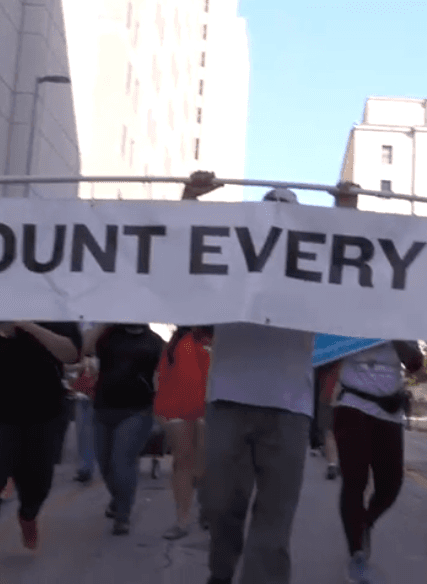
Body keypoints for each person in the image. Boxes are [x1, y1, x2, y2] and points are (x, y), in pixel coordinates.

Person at [203, 187, 318, 584]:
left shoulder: (319, 267)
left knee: (274, 522)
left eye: (288, 205)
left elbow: (356, 278)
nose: (279, 211)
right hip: (228, 400)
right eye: (272, 203)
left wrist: (347, 212)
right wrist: (188, 200)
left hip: (290, 408)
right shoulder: (228, 259)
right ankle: (220, 573)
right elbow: (174, 260)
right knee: (220, 508)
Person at [0, 321, 81, 584]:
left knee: (37, 482)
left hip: (42, 413)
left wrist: (25, 324)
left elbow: (70, 353)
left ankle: (29, 514)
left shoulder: (57, 310)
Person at [321, 341, 423, 583]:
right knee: (355, 481)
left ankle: (365, 522)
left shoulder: (402, 322)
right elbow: (324, 358)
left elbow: (415, 364)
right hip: (353, 407)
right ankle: (356, 553)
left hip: (389, 412)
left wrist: (396, 336)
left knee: (391, 483)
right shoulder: (350, 318)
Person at [85, 323, 166, 536]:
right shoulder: (107, 335)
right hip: (103, 408)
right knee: (104, 464)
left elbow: (162, 375)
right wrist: (104, 323)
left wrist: (161, 408)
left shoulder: (154, 342)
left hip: (137, 410)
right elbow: (83, 349)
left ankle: (123, 515)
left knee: (122, 462)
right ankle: (118, 497)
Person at [154, 326, 213, 540]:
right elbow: (163, 375)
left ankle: (208, 509)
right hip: (177, 408)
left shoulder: (221, 336)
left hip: (210, 408)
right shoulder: (178, 340)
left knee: (203, 465)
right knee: (182, 462)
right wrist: (160, 410)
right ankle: (182, 520)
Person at [67, 348, 99, 484]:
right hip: (81, 397)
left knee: (90, 435)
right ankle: (85, 469)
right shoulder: (81, 359)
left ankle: (87, 468)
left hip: (95, 399)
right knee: (83, 435)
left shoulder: (101, 355)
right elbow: (71, 374)